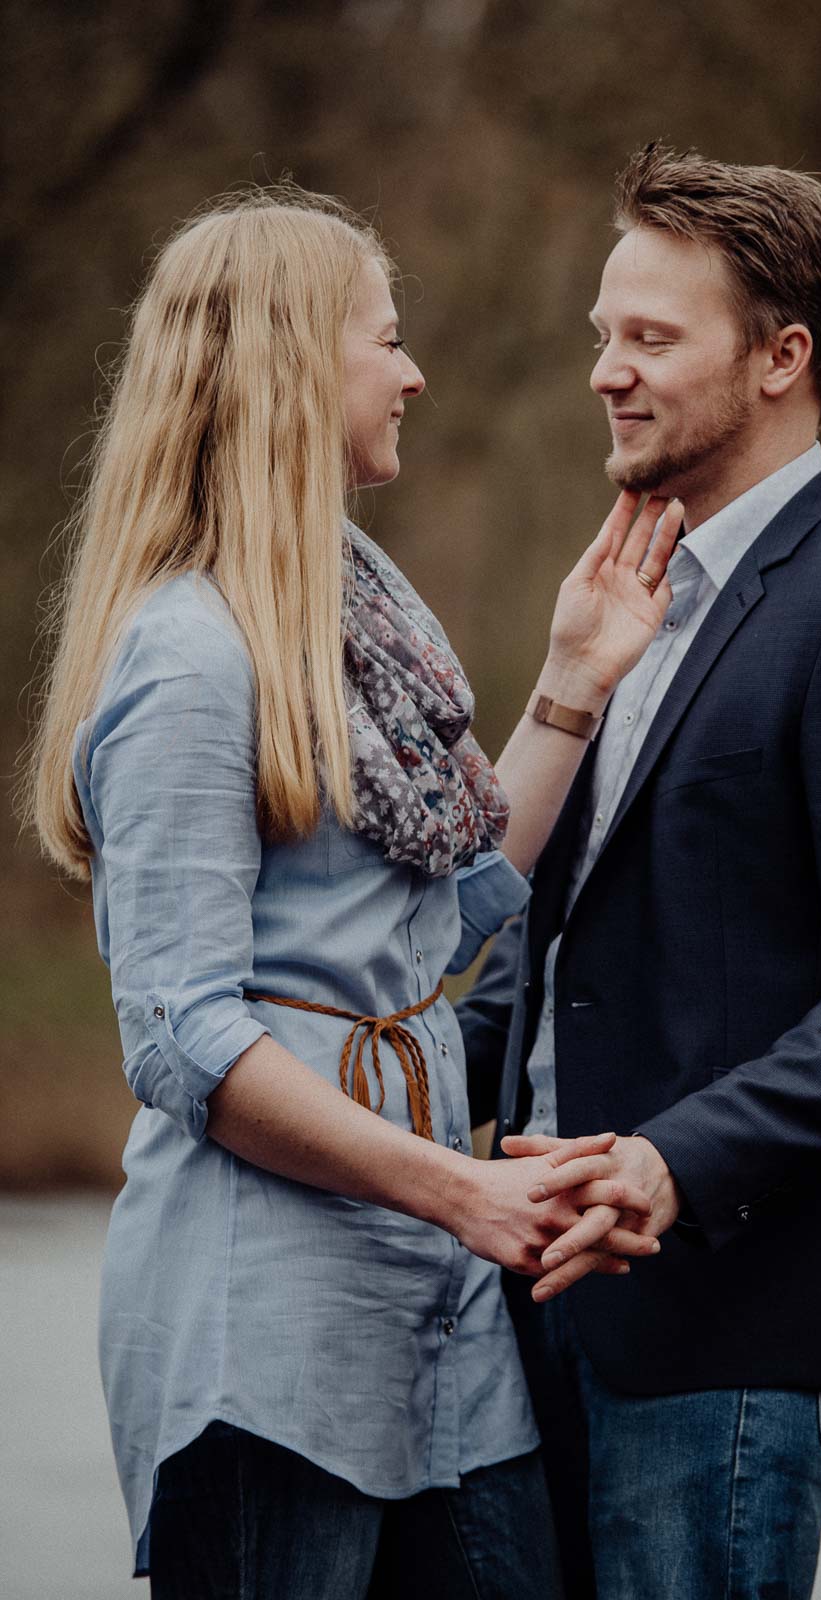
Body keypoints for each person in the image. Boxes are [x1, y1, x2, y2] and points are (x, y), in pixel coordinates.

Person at [24, 185, 684, 1598]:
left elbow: (429, 935)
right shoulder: (191, 658)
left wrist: (570, 687)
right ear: (287, 365)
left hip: (436, 1315)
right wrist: (458, 1193)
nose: (413, 370)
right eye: (383, 339)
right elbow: (182, 1036)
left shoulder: (369, 626)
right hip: (263, 1331)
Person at [457, 144, 821, 1599]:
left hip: (724, 1329)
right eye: (599, 337)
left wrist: (673, 1164)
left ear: (782, 357)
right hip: (523, 1302)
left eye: (649, 338)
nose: (604, 374)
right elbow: (547, 943)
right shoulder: (630, 597)